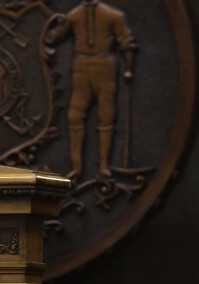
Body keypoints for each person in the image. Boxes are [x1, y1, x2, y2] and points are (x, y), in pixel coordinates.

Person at [46, 0, 136, 180]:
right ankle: (77, 168)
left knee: (106, 115)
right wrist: (51, 24)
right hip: (81, 67)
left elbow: (126, 43)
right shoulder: (73, 16)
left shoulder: (114, 16)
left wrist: (128, 68)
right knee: (75, 115)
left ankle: (104, 166)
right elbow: (54, 37)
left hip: (105, 67)